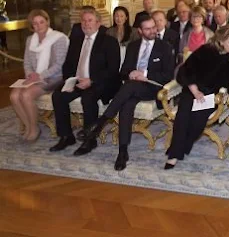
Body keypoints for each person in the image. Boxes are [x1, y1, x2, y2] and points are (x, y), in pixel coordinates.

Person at [81, 15, 175, 170]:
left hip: (153, 87)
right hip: (132, 87)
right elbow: (123, 71)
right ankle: (122, 152)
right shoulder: (133, 46)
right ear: (140, 31)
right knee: (126, 105)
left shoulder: (165, 47)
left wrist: (143, 74)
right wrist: (130, 73)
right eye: (148, 28)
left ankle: (101, 122)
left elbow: (168, 75)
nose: (153, 30)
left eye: (154, 27)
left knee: (130, 87)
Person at [165, 25, 229, 169]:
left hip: (211, 96)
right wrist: (195, 91)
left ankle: (178, 148)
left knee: (197, 124)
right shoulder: (206, 51)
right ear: (221, 41)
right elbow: (185, 70)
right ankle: (174, 155)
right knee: (182, 119)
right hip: (192, 90)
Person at [49, 9, 120, 154]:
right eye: (83, 20)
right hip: (77, 80)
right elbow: (68, 65)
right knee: (58, 95)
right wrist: (69, 81)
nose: (86, 24)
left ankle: (89, 139)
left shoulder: (109, 41)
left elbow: (113, 69)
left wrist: (91, 80)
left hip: (101, 82)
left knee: (88, 97)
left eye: (90, 20)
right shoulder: (76, 41)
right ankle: (66, 136)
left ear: (98, 23)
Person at [11, 9, 68, 141]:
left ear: (47, 22)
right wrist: (30, 74)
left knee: (26, 95)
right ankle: (30, 126)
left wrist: (40, 76)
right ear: (32, 26)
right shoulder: (30, 40)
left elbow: (59, 64)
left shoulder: (59, 38)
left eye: (41, 22)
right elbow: (26, 63)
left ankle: (34, 129)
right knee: (14, 95)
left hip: (54, 78)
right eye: (35, 23)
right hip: (34, 77)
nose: (39, 26)